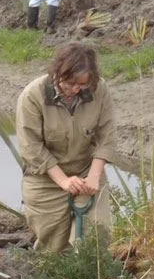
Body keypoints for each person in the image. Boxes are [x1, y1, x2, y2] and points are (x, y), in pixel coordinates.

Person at [16, 43, 115, 252]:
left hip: (86, 173)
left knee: (97, 237)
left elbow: (106, 137)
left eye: (82, 85)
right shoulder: (33, 96)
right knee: (53, 247)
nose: (75, 90)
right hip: (44, 178)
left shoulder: (99, 90)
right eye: (69, 83)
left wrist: (94, 177)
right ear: (58, 72)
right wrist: (63, 181)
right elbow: (31, 146)